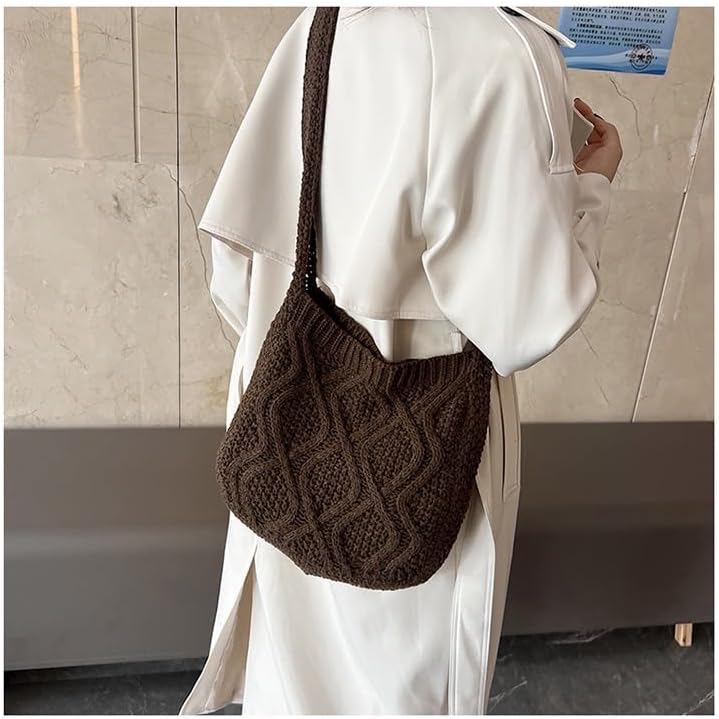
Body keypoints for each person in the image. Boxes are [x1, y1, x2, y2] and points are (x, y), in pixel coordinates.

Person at [179, 6, 622, 715]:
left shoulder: (328, 18)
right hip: (422, 451)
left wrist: (312, 362)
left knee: (291, 679)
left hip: (288, 414)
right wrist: (591, 189)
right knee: (400, 685)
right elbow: (524, 318)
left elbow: (236, 265)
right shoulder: (507, 50)